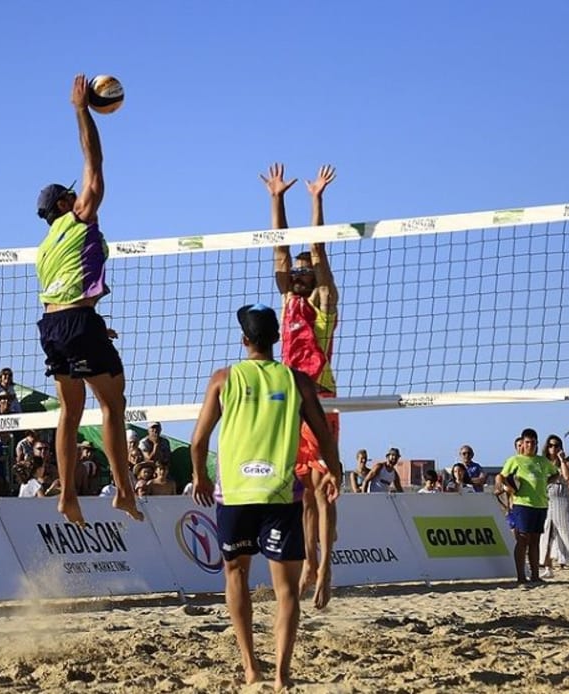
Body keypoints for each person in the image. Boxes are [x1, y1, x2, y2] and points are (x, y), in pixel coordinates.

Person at [189, 304, 341, 689]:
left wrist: (199, 477)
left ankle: (250, 668)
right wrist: (336, 471)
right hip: (279, 494)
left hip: (235, 493)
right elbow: (323, 435)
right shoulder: (298, 381)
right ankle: (281, 676)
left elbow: (198, 441)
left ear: (244, 340)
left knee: (236, 574)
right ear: (276, 339)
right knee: (286, 591)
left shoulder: (224, 378)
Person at [33, 74, 140, 526]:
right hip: (77, 324)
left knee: (70, 413)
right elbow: (94, 161)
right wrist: (81, 109)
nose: (78, 192)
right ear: (63, 204)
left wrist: (94, 323)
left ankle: (67, 496)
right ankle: (124, 490)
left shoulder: (45, 247)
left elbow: (66, 293)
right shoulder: (78, 218)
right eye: (69, 193)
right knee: (113, 406)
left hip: (53, 327)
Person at [261, 162, 340, 603]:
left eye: (304, 271)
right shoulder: (287, 301)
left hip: (321, 399)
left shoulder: (323, 303)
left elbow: (316, 249)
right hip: (291, 402)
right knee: (304, 495)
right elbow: (280, 250)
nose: (297, 274)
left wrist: (316, 199)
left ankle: (326, 567)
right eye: (295, 272)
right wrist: (276, 199)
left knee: (324, 492)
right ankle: (310, 559)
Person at [498, 428, 559, 585]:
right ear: (523, 443)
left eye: (533, 442)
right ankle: (521, 576)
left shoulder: (542, 461)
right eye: (527, 442)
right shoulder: (515, 460)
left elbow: (556, 473)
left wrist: (546, 482)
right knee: (522, 539)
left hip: (540, 504)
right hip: (522, 504)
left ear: (537, 443)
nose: (530, 445)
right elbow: (501, 476)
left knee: (535, 540)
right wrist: (509, 487)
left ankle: (535, 575)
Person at [538, 435, 569, 580]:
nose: (553, 448)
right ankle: (548, 567)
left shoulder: (566, 462)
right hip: (547, 499)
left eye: (556, 445)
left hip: (562, 499)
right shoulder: (543, 463)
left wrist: (561, 460)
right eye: (551, 445)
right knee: (546, 535)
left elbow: (567, 477)